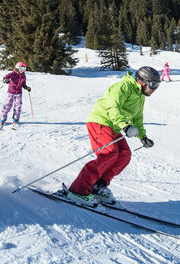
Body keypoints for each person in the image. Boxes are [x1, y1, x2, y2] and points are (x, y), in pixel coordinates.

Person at [64, 66, 159, 207]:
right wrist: (125, 126)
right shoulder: (124, 86)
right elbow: (112, 107)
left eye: (157, 85)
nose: (154, 89)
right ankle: (78, 190)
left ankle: (98, 186)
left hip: (113, 126)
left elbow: (137, 118)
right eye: (153, 85)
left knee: (124, 154)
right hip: (100, 121)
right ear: (142, 82)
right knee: (108, 154)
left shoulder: (140, 96)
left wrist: (143, 137)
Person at [0, 62, 31, 129]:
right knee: (7, 105)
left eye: (24, 68)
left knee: (18, 106)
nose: (22, 70)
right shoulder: (13, 74)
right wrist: (5, 80)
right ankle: (2, 119)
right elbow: (5, 77)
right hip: (11, 92)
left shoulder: (24, 76)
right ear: (17, 68)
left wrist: (26, 87)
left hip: (19, 93)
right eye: (21, 68)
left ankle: (15, 119)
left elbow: (23, 84)